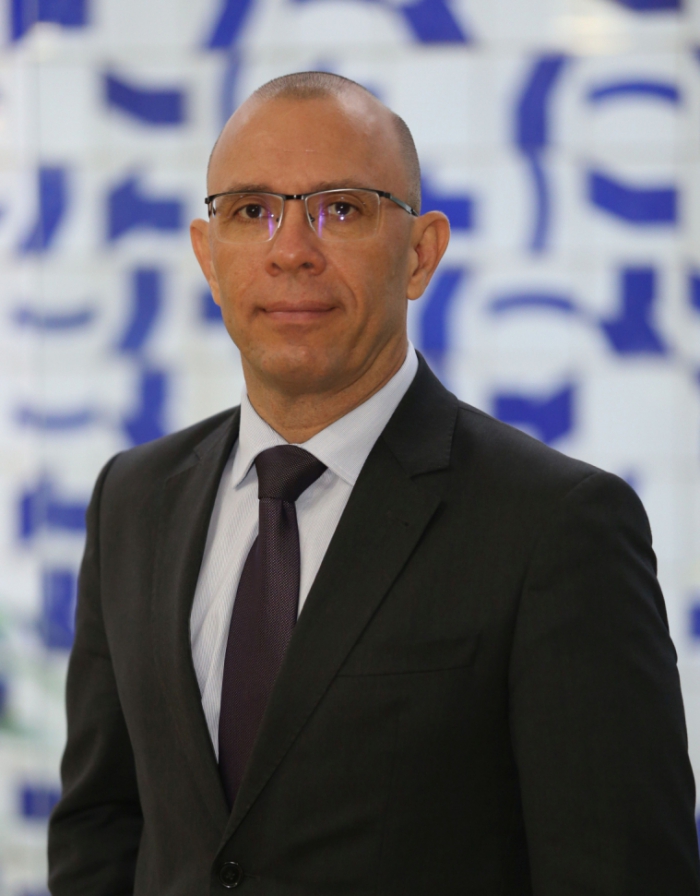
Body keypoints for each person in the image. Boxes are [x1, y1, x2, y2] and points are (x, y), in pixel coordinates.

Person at [48, 71, 700, 896]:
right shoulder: (133, 499)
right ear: (207, 256)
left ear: (421, 253)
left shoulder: (557, 526)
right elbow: (102, 830)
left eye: (342, 209)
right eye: (251, 211)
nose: (291, 249)